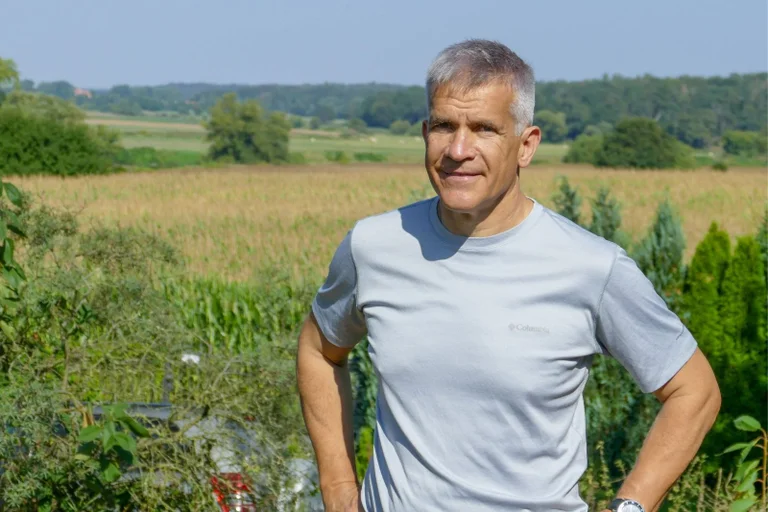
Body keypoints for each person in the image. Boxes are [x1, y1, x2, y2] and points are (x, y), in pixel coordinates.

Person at [296, 39, 721, 512]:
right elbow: (319, 350)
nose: (459, 149)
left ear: (526, 145)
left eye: (484, 129)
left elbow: (694, 391)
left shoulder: (589, 267)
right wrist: (337, 491)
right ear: (424, 133)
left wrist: (632, 506)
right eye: (444, 126)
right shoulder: (373, 246)